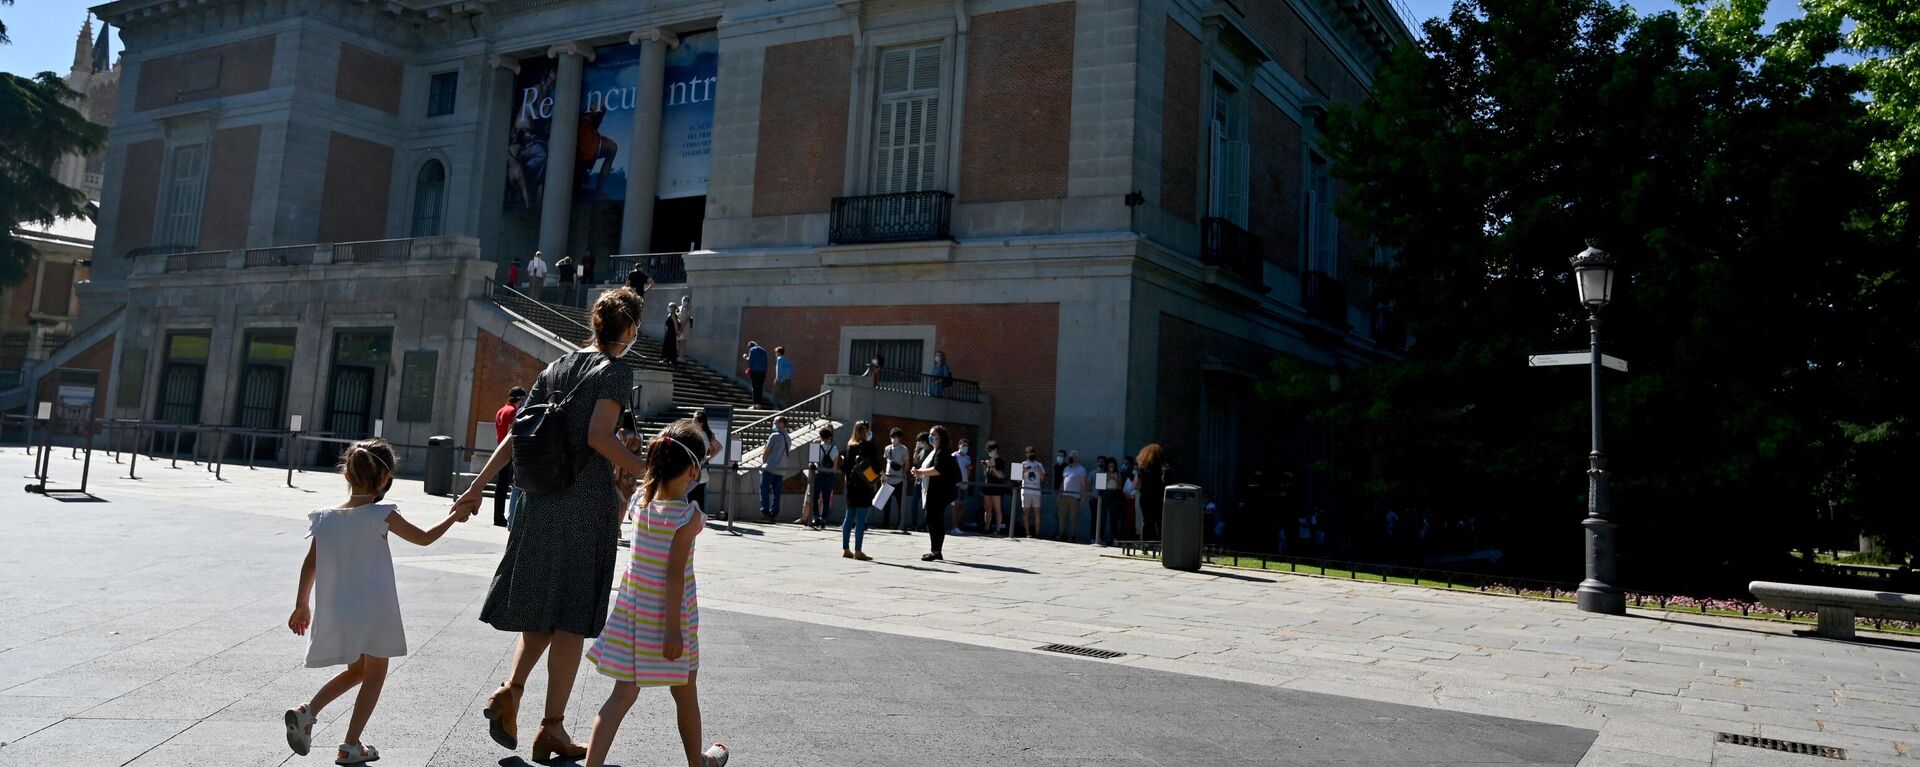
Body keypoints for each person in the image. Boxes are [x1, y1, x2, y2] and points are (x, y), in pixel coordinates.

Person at [452, 288, 646, 761]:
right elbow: (599, 436)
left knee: (545, 609)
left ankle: (511, 691)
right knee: (572, 617)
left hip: (538, 502)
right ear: (632, 329)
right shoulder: (617, 371)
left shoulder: (556, 367)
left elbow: (520, 434)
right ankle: (552, 728)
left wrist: (477, 486)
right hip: (582, 506)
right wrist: (647, 469)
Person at [284, 439, 473, 764]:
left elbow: (310, 563)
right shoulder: (382, 514)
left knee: (357, 671)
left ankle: (308, 712)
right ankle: (350, 744)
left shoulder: (325, 518)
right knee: (374, 675)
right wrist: (454, 517)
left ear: (347, 474)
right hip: (375, 610)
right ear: (385, 478)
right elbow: (425, 538)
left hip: (339, 610)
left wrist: (302, 604)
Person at [582, 419, 731, 767]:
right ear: (693, 469)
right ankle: (698, 764)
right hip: (669, 620)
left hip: (634, 615)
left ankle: (592, 765)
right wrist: (673, 630)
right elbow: (674, 575)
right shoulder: (688, 517)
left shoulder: (640, 502)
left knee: (620, 697)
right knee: (685, 694)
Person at [910, 425, 962, 561]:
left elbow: (937, 470)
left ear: (941, 438)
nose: (931, 438)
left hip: (939, 492)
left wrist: (920, 472)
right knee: (932, 519)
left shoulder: (942, 452)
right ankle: (936, 550)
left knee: (934, 520)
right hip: (934, 491)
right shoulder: (935, 451)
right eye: (931, 435)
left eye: (934, 436)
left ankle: (936, 551)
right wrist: (919, 472)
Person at [840, 421, 881, 560]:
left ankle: (846, 549)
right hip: (864, 485)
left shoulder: (850, 446)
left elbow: (844, 467)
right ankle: (858, 550)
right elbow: (876, 466)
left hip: (851, 485)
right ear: (866, 431)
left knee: (848, 517)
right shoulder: (869, 446)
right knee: (861, 519)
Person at [492, 387, 527, 527]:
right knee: (514, 487)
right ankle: (509, 518)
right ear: (520, 398)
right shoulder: (512, 412)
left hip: (500, 450)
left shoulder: (501, 410)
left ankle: (498, 517)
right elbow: (510, 433)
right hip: (509, 453)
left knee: (500, 486)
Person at [800, 426, 839, 530]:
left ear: (820, 436)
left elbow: (812, 463)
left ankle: (816, 517)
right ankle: (823, 519)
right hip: (829, 474)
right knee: (826, 499)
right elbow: (835, 465)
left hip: (818, 474)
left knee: (815, 496)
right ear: (830, 436)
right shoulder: (834, 448)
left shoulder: (816, 447)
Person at [686, 408, 722, 511]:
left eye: (695, 419)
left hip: (700, 468)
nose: (692, 421)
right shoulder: (693, 433)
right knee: (692, 495)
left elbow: (719, 447)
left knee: (697, 495)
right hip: (693, 467)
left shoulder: (707, 435)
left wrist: (708, 457)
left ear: (701, 423)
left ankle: (697, 517)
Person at [760, 417, 790, 522]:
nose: (773, 424)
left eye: (775, 422)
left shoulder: (774, 436)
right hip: (781, 469)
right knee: (776, 493)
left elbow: (767, 451)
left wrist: (763, 461)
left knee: (764, 490)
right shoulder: (788, 437)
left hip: (770, 467)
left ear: (781, 423)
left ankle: (765, 512)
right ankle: (774, 513)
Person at [1136, 444, 1169, 541]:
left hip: (1145, 496)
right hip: (1158, 495)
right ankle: (1159, 541)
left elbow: (1138, 484)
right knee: (1159, 520)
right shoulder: (1160, 468)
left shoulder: (1142, 468)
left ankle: (1145, 544)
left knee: (1146, 520)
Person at [1058, 451, 1087, 543]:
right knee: (1062, 515)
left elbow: (1083, 485)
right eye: (1070, 456)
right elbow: (1063, 482)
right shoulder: (1066, 468)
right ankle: (1061, 534)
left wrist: (1082, 498)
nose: (1071, 458)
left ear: (1077, 458)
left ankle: (1073, 535)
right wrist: (1059, 495)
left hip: (1074, 496)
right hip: (1064, 495)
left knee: (1073, 517)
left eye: (1073, 456)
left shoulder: (1081, 469)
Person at [981, 441, 1009, 535]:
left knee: (997, 509)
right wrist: (985, 467)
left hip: (996, 486)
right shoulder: (989, 459)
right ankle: (986, 527)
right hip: (988, 485)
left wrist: (992, 467)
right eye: (988, 450)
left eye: (990, 450)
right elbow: (985, 475)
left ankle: (997, 529)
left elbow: (1000, 475)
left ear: (995, 449)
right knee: (987, 508)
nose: (989, 452)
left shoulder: (1000, 461)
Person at [883, 428, 909, 530]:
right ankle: (885, 523)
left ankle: (900, 524)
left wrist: (903, 474)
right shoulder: (887, 448)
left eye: (896, 437)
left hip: (899, 480)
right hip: (888, 479)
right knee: (886, 503)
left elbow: (907, 463)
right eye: (892, 437)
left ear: (900, 438)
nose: (894, 439)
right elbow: (886, 462)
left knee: (900, 504)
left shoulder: (904, 449)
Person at [1019, 447, 1047, 539]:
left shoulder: (1039, 464)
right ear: (1026, 454)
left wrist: (1039, 471)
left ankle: (1037, 533)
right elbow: (1017, 478)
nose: (1031, 455)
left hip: (1036, 491)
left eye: (1033, 453)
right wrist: (1024, 471)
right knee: (1026, 512)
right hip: (1026, 491)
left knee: (1037, 512)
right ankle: (1027, 532)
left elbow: (1043, 479)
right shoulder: (1023, 464)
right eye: (1029, 453)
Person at [950, 438, 973, 535]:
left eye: (966, 446)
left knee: (961, 506)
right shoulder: (954, 456)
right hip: (956, 484)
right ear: (959, 445)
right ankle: (954, 527)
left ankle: (957, 526)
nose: (965, 448)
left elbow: (967, 473)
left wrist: (969, 469)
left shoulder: (967, 458)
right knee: (956, 505)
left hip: (965, 484)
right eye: (963, 445)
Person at [742, 341, 769, 407]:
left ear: (750, 346)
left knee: (755, 388)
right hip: (763, 372)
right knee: (760, 388)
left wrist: (745, 356)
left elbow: (750, 361)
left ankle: (754, 404)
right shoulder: (763, 350)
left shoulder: (752, 349)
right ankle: (759, 404)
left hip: (755, 371)